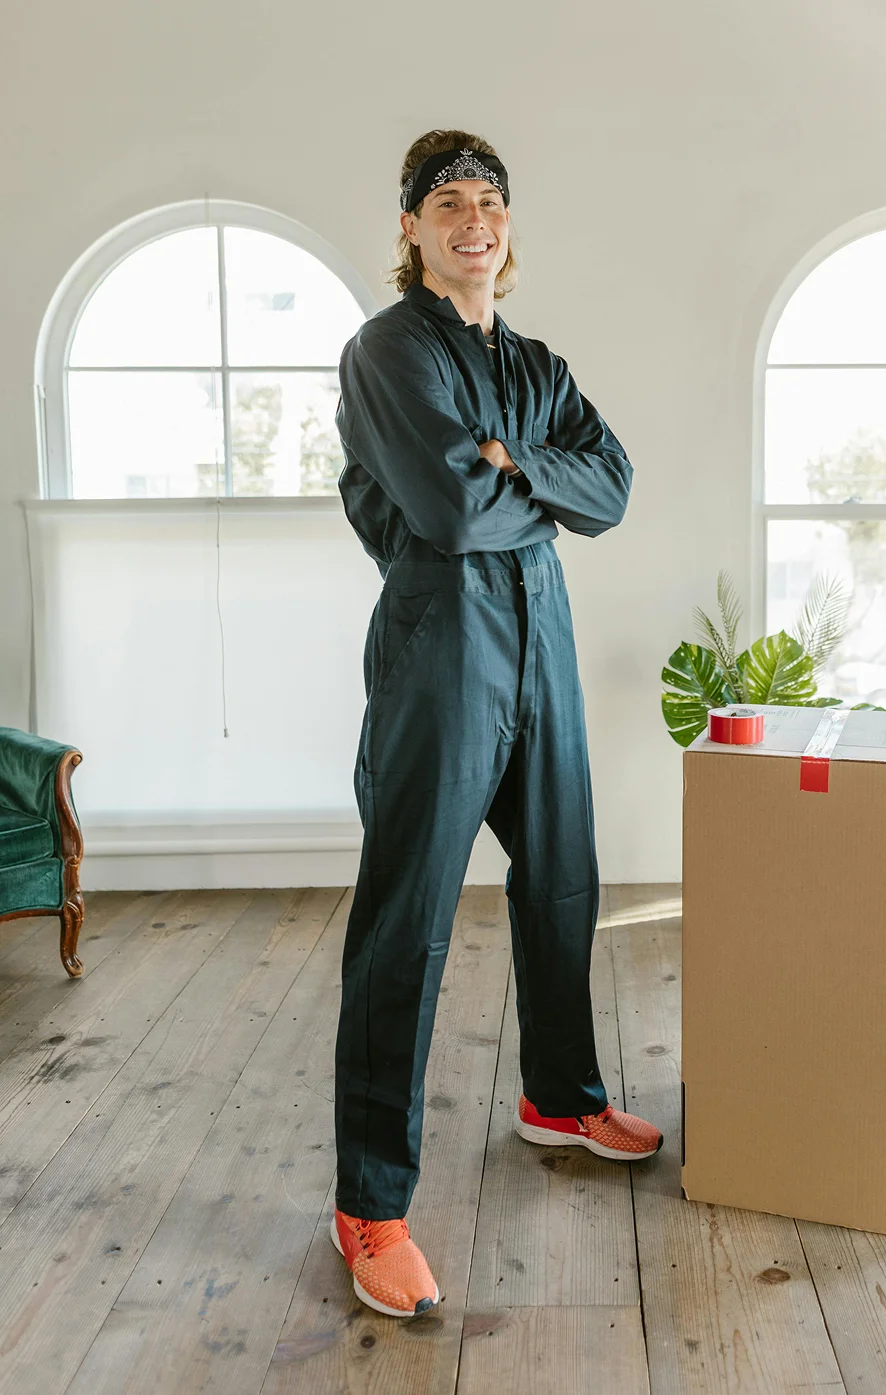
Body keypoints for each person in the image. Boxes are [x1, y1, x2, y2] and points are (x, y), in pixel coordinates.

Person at [330, 129, 663, 1320]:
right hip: (441, 651)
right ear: (412, 229)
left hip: (541, 644)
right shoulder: (385, 353)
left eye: (488, 200)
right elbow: (451, 513)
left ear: (506, 225)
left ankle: (558, 1099)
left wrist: (509, 458)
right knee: (407, 923)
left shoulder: (535, 365)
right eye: (447, 203)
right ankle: (369, 1203)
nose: (472, 219)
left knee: (563, 878)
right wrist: (531, 486)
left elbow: (612, 486)